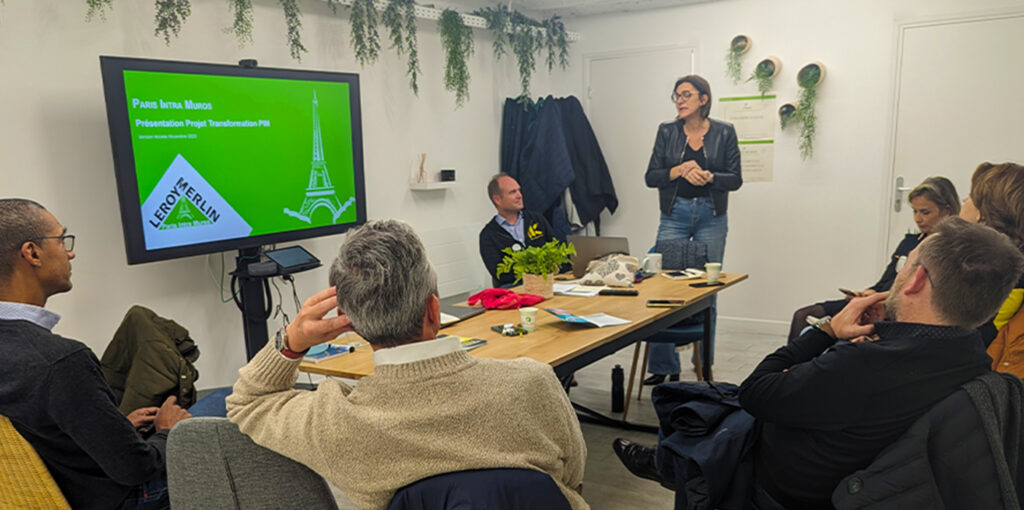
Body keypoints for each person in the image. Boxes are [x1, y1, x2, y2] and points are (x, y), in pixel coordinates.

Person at [227, 219, 588, 510]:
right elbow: (571, 480)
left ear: (348, 321)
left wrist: (293, 340)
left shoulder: (338, 423)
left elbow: (248, 401)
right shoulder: (532, 382)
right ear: (434, 310)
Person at [739, 217, 1024, 509]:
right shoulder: (976, 361)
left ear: (917, 280)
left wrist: (827, 332)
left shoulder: (861, 365)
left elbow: (754, 392)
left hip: (783, 491)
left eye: (907, 265)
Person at [0, 198, 191, 510]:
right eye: (61, 240)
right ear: (32, 253)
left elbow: (38, 434)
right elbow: (135, 469)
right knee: (226, 410)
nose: (70, 252)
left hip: (57, 490)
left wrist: (113, 432)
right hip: (121, 498)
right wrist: (168, 433)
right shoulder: (59, 361)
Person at [643, 74, 742, 383]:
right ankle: (662, 367)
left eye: (686, 94)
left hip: (711, 216)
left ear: (704, 99)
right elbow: (652, 176)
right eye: (676, 96)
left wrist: (710, 177)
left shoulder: (724, 133)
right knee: (664, 285)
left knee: (706, 289)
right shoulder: (667, 132)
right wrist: (679, 170)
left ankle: (704, 363)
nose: (680, 100)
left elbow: (735, 179)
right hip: (675, 214)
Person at [786, 176, 960, 340]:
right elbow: (886, 279)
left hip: (896, 312)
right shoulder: (909, 242)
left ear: (947, 210)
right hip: (876, 301)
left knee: (824, 328)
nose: (918, 219)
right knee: (804, 314)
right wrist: (868, 292)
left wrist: (878, 298)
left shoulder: (948, 250)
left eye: (925, 212)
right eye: (914, 211)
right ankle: (790, 369)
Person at [960, 162, 1024, 346]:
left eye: (972, 196)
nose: (964, 200)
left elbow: (970, 335)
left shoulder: (991, 267)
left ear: (984, 212)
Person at [479, 173, 560, 287]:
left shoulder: (537, 220)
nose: (519, 195)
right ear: (497, 199)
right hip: (513, 287)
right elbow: (501, 274)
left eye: (519, 190)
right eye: (513, 192)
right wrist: (534, 269)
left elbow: (557, 252)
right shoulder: (488, 235)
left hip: (546, 281)